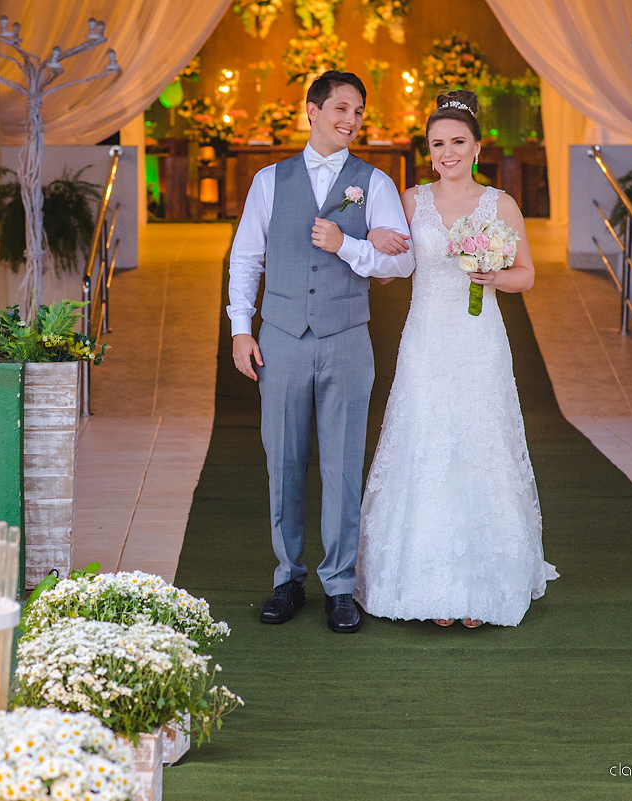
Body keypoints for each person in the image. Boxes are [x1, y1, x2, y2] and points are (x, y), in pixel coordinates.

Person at [356, 90, 557, 628]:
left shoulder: (500, 204)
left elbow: (527, 275)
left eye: (457, 142)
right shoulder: (410, 199)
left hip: (478, 338)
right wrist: (375, 248)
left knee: (478, 441)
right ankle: (427, 582)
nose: (447, 152)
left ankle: (481, 584)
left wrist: (493, 276)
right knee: (425, 440)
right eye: (437, 143)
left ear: (477, 146)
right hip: (425, 337)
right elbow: (389, 263)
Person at [228, 71, 415, 634]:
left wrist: (349, 245)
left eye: (358, 111)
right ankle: (288, 577)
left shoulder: (374, 183)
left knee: (342, 465)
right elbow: (245, 260)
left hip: (347, 340)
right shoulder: (268, 181)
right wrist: (242, 327)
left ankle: (340, 585)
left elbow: (401, 263)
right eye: (340, 108)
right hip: (281, 336)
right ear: (310, 110)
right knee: (283, 460)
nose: (351, 120)